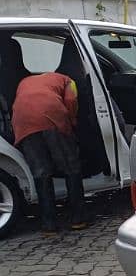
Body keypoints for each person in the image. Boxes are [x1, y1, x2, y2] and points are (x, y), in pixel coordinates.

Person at [11, 72, 87, 233]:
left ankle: (49, 224)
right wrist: (72, 122)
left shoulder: (24, 81)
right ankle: (77, 219)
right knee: (71, 168)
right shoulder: (67, 80)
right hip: (52, 118)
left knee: (41, 173)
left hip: (23, 123)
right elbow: (71, 100)